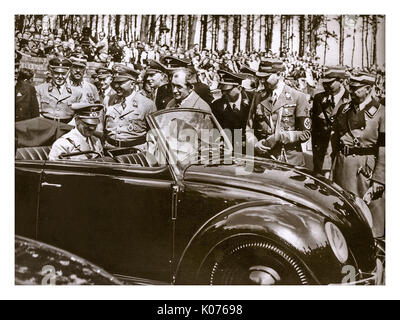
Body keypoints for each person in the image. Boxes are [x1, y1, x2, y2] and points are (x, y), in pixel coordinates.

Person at [331, 73, 385, 237]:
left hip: (365, 171)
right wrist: (328, 168)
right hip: (341, 165)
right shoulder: (344, 109)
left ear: (368, 89)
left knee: (369, 215)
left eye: (355, 89)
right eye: (350, 87)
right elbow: (333, 140)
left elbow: (385, 148)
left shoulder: (382, 113)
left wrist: (379, 178)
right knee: (342, 212)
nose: (351, 91)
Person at [246, 60, 311, 166]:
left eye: (266, 77)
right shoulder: (258, 97)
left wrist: (280, 137)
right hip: (263, 159)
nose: (262, 80)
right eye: (260, 77)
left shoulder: (298, 97)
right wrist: (255, 144)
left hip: (288, 159)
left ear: (279, 74)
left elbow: (305, 133)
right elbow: (249, 129)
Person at [104, 64, 156, 150]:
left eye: (120, 83)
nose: (116, 86)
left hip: (134, 153)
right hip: (110, 150)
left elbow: (153, 135)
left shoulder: (147, 104)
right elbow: (101, 130)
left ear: (132, 84)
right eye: (115, 83)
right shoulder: (108, 100)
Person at [311, 66, 351, 176]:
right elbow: (314, 129)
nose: (326, 86)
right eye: (324, 83)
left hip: (340, 155)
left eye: (330, 83)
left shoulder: (351, 100)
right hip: (321, 154)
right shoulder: (319, 99)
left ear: (341, 81)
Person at [211, 70, 251, 152]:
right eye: (223, 90)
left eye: (228, 90)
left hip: (250, 148)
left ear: (239, 89)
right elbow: (215, 129)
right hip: (228, 149)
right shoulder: (217, 105)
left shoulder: (251, 101)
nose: (224, 94)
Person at [35, 57, 80, 122]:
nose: (60, 77)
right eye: (56, 73)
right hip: (45, 126)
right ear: (51, 72)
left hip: (67, 127)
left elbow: (77, 115)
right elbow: (36, 112)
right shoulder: (40, 89)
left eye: (63, 74)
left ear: (68, 73)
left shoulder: (76, 92)